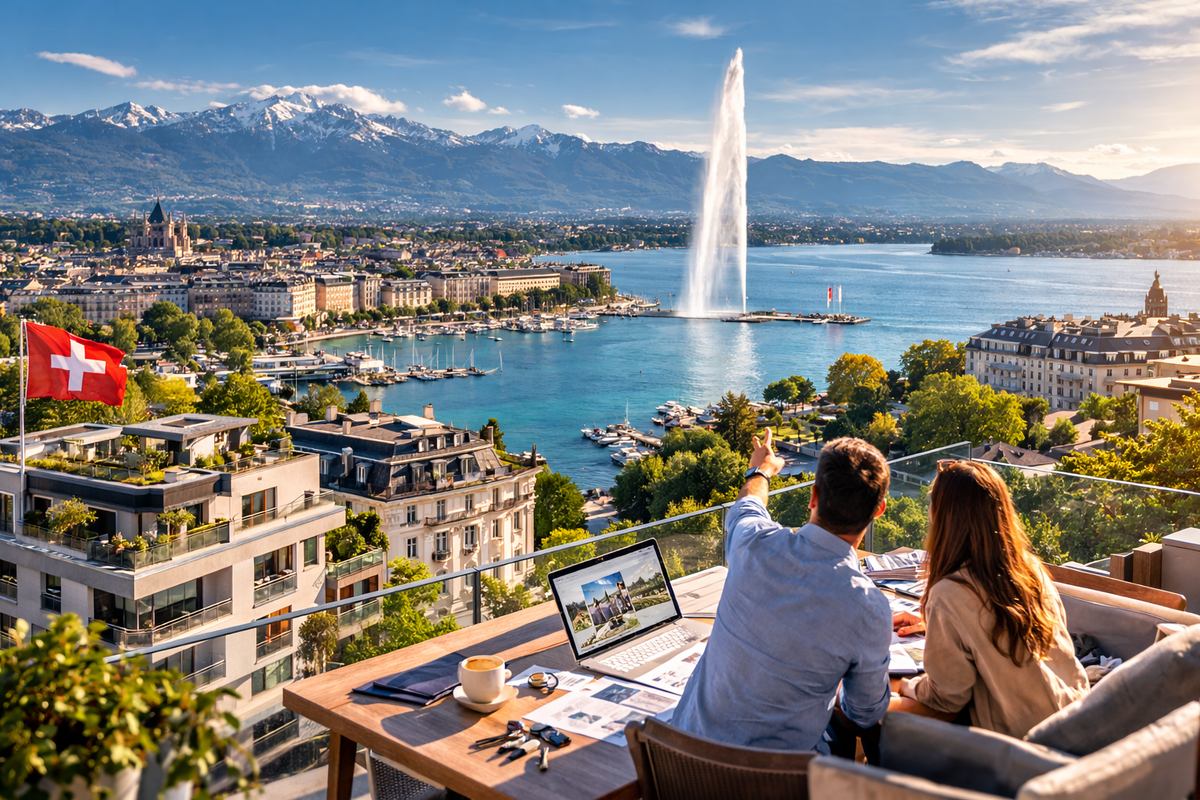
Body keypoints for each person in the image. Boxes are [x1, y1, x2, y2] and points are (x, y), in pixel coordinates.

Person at [673, 432, 893, 753]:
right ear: (879, 510)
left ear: (813, 497)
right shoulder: (868, 607)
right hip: (774, 784)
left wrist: (762, 469)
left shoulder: (753, 545)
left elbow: (748, 504)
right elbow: (865, 714)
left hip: (680, 765)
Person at [894, 460, 1088, 737]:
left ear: (943, 517)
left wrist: (900, 685)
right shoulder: (1031, 569)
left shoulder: (949, 594)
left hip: (1025, 747)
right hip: (1078, 720)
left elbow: (947, 697)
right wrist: (938, 625)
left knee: (879, 729)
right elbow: (1008, 632)